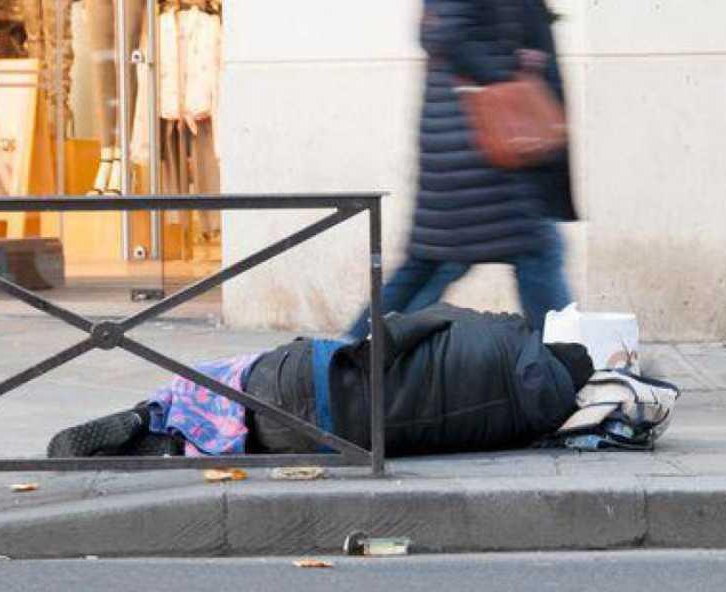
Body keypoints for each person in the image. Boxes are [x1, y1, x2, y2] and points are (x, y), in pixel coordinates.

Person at [48, 304, 595, 459]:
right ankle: (176, 445)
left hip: (306, 378)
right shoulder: (524, 426)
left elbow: (399, 330)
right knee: (261, 429)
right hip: (326, 439)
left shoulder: (499, 331)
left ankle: (152, 412)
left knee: (233, 377)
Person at [347, 0, 578, 340]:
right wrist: (512, 75)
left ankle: (342, 360)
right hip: (484, 145)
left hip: (476, 146)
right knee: (536, 252)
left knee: (431, 265)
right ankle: (572, 365)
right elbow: (447, 33)